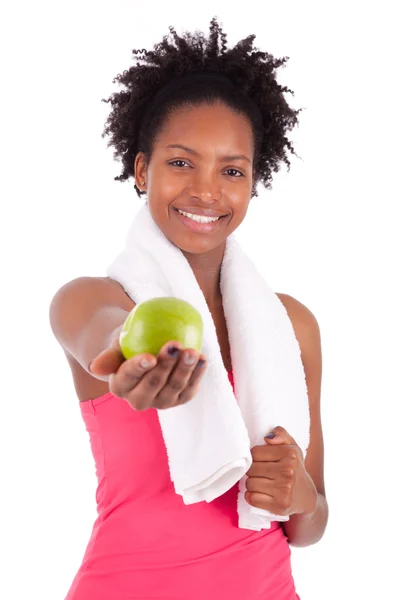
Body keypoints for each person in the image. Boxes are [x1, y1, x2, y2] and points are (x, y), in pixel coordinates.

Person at [49, 17, 329, 600]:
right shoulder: (92, 299)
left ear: (254, 184)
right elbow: (108, 336)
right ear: (142, 169)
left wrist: (300, 492)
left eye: (232, 171)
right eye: (180, 162)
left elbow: (309, 525)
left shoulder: (292, 326)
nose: (206, 190)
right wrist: (136, 360)